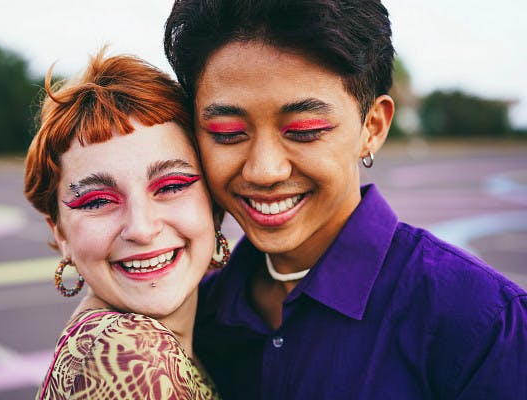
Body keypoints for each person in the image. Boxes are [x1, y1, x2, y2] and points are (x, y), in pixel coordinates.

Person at [163, 1, 527, 399]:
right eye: (227, 132)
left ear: (372, 127)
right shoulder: (193, 311)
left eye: (304, 130)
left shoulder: (482, 320)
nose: (264, 170)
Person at [24, 50, 225, 399]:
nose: (142, 228)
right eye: (98, 201)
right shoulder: (129, 354)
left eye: (172, 186)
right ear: (60, 233)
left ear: (214, 203)